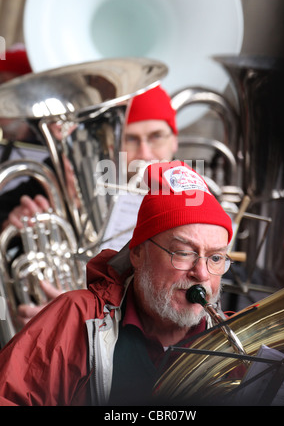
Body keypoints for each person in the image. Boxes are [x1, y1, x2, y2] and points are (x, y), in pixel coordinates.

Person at [0, 160, 233, 406]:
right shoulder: (77, 316)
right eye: (184, 253)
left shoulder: (236, 339)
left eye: (215, 258)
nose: (202, 274)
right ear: (138, 254)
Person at [0, 85, 179, 325]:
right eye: (130, 139)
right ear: (112, 144)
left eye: (156, 136)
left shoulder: (191, 198)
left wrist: (75, 311)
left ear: (174, 140)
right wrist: (10, 228)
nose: (145, 153)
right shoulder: (65, 178)